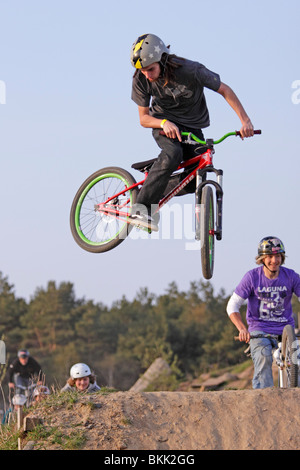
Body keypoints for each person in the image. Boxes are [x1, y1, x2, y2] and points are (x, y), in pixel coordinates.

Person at [129, 33, 254, 231]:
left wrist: (245, 121)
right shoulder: (141, 79)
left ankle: (150, 187)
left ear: (162, 59)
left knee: (196, 177)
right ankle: (141, 208)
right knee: (173, 153)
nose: (147, 75)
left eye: (150, 69)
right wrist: (163, 123)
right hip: (163, 122)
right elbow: (144, 119)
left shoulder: (192, 71)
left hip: (192, 127)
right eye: (143, 71)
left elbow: (225, 90)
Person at [227, 236, 300, 389]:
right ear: (262, 259)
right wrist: (241, 328)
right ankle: (264, 400)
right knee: (264, 357)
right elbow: (232, 305)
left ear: (282, 257)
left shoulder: (291, 276)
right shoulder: (252, 277)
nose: (274, 260)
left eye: (278, 256)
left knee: (296, 362)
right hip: (260, 330)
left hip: (286, 330)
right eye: (270, 257)